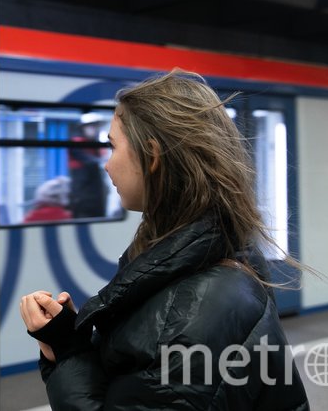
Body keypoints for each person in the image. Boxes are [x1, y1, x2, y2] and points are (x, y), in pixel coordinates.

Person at [19, 70, 309, 410]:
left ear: (152, 155)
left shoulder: (195, 313)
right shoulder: (218, 254)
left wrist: (68, 356)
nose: (107, 166)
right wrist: (68, 343)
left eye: (113, 147)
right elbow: (138, 380)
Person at [67, 113, 109, 218]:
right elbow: (89, 160)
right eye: (91, 126)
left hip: (96, 195)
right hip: (82, 196)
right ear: (83, 128)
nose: (95, 129)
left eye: (97, 126)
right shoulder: (76, 142)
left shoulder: (95, 143)